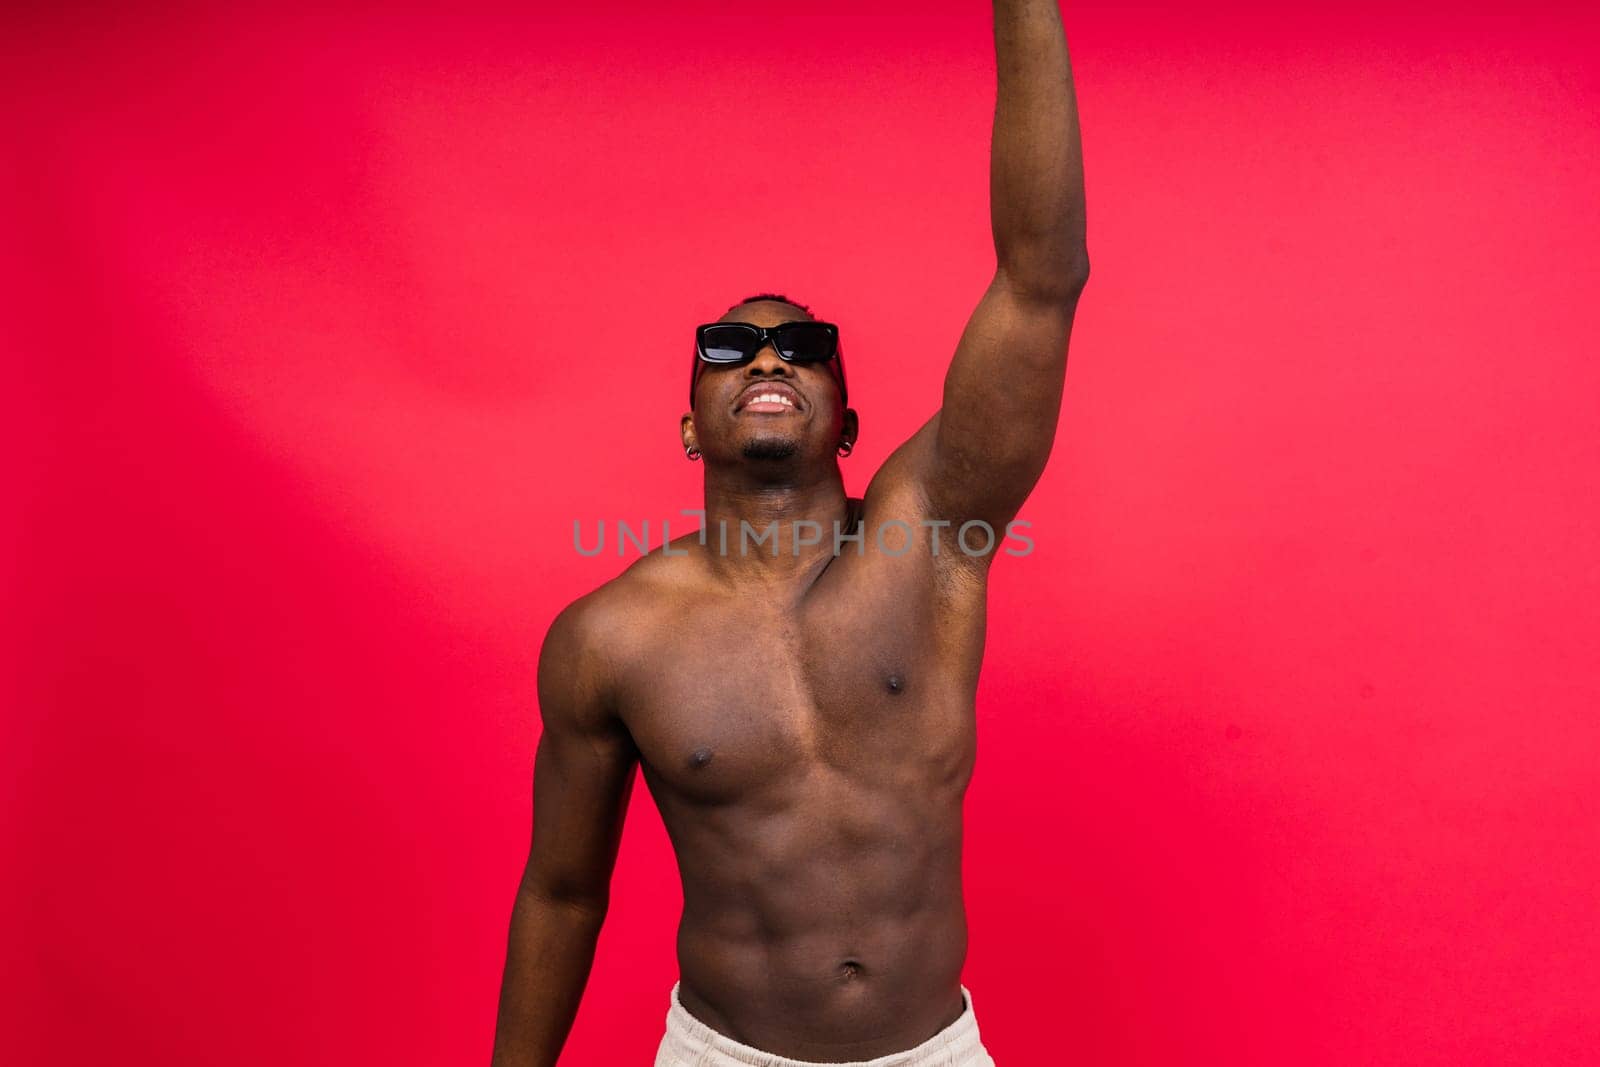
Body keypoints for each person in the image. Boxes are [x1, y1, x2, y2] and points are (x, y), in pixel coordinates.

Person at [491, 1, 1087, 1063]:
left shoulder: (933, 538)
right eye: (729, 349)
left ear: (846, 419)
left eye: (800, 346)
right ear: (689, 424)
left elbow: (1040, 280)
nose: (766, 360)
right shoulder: (609, 636)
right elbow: (563, 890)